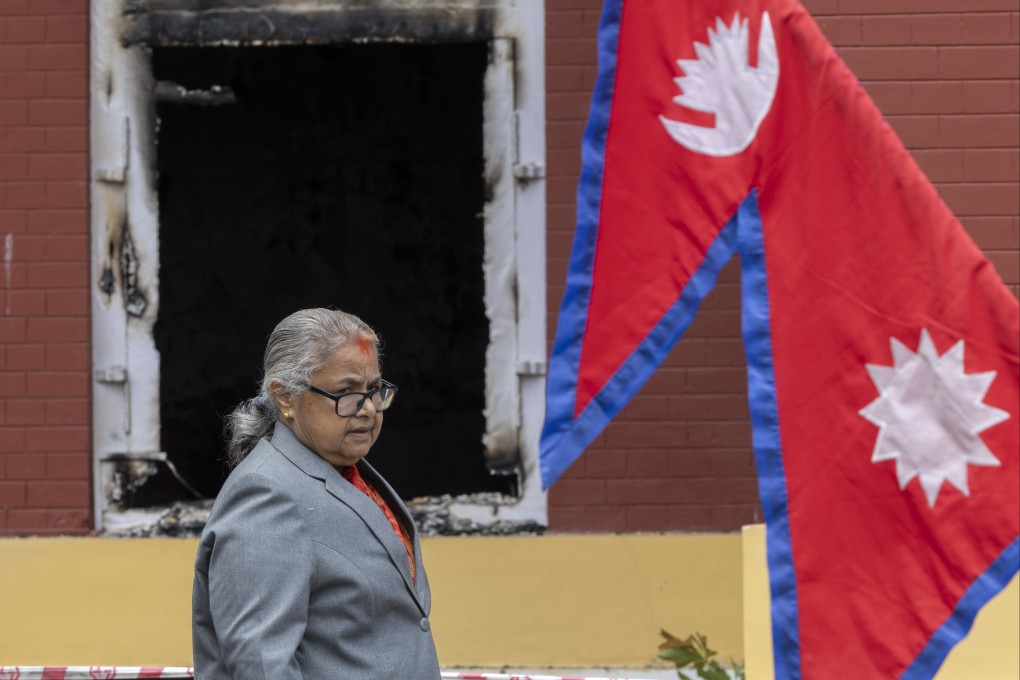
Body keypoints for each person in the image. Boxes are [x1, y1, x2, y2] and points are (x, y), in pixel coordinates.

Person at [192, 308, 441, 679]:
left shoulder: (350, 473)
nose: (369, 409)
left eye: (375, 389)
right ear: (286, 398)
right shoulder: (266, 494)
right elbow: (262, 665)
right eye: (346, 392)